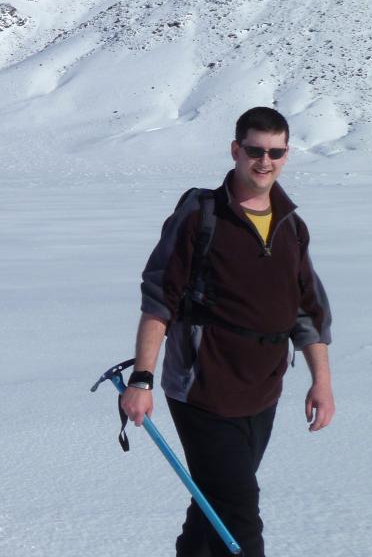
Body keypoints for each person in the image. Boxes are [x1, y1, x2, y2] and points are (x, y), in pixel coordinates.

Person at [121, 106, 334, 556]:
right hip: (203, 392)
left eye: (275, 152)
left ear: (286, 154)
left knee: (212, 504)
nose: (264, 161)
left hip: (263, 391)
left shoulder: (291, 225)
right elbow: (160, 298)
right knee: (239, 512)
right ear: (236, 150)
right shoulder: (202, 216)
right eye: (255, 150)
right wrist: (142, 377)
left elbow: (307, 311)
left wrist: (322, 382)